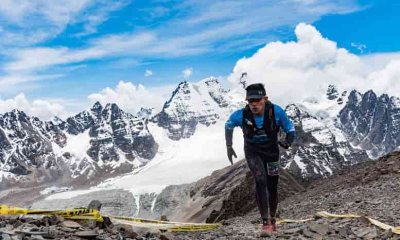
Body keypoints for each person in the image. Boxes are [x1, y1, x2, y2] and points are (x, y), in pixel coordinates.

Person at [225, 83, 296, 235]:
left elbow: (290, 129)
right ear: (247, 102)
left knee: (272, 185)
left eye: (257, 100)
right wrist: (229, 146)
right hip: (253, 152)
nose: (254, 104)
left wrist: (288, 142)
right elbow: (228, 125)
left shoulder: (276, 112)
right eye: (251, 101)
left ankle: (273, 219)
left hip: (272, 153)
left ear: (265, 98)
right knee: (260, 180)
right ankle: (265, 222)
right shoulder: (240, 115)